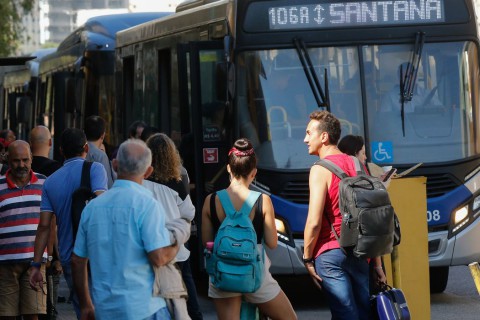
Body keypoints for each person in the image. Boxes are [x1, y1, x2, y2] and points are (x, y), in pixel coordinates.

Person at [71, 139, 179, 319]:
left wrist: (85, 304)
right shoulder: (148, 205)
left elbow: (77, 260)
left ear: (114, 165)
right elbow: (158, 257)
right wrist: (176, 244)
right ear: (148, 172)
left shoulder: (92, 207)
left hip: (105, 310)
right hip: (145, 308)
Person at [201, 138, 297, 320]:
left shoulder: (211, 201)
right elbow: (272, 242)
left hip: (223, 274)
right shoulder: (263, 200)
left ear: (229, 168)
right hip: (255, 274)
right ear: (254, 173)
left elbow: (207, 243)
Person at [303, 110, 382, 319]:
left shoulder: (319, 170)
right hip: (360, 251)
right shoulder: (357, 164)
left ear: (324, 137)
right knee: (362, 313)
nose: (305, 139)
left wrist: (307, 258)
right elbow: (370, 214)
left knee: (344, 313)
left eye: (309, 133)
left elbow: (313, 222)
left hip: (330, 253)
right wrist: (377, 263)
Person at [29, 128, 108, 319]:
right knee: (103, 307)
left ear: (61, 151)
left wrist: (36, 264)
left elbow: (45, 226)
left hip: (69, 256)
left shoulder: (50, 182)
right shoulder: (96, 169)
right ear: (86, 148)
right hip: (97, 251)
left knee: (82, 307)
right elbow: (103, 207)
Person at [144, 133, 203, 320]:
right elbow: (189, 213)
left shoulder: (140, 182)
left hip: (151, 248)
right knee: (187, 297)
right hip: (175, 250)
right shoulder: (177, 183)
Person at [0, 140, 47, 319]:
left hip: (35, 262)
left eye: (25, 160)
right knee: (6, 315)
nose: (21, 165)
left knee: (33, 314)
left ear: (32, 159)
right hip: (5, 264)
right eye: (16, 161)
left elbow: (51, 223)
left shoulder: (44, 182)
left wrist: (51, 257)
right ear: (7, 160)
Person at [337, 134, 387, 295]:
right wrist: (378, 266)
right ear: (354, 154)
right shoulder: (362, 181)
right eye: (363, 153)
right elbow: (373, 227)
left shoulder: (337, 178)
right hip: (367, 253)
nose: (365, 157)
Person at [29, 125, 63, 320]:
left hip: (24, 246)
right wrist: (53, 255)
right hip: (49, 249)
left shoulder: (22, 169)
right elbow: (53, 220)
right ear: (50, 143)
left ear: (30, 144)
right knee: (48, 307)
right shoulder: (57, 171)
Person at [85, 115, 116, 188]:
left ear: (84, 133)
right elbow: (108, 184)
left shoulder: (78, 150)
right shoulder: (100, 156)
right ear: (103, 135)